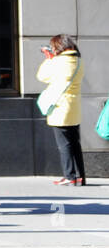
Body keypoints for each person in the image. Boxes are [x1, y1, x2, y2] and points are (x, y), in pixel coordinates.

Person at [37, 34, 86, 185]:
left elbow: (42, 76)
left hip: (60, 106)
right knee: (75, 142)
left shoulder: (58, 62)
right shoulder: (78, 61)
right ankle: (80, 176)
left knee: (64, 143)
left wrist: (48, 58)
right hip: (74, 105)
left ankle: (69, 176)